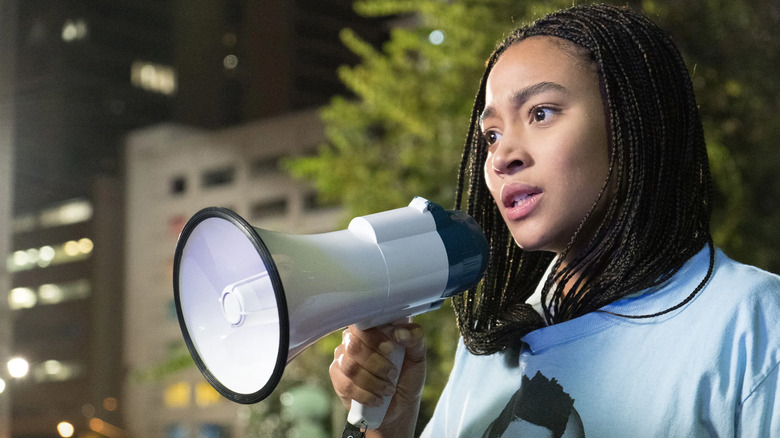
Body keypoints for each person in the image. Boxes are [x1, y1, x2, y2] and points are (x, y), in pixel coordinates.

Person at [328, 4, 780, 437]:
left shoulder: (751, 321)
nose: (503, 156)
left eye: (541, 113)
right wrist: (392, 422)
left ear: (632, 121)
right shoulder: (494, 341)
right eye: (492, 134)